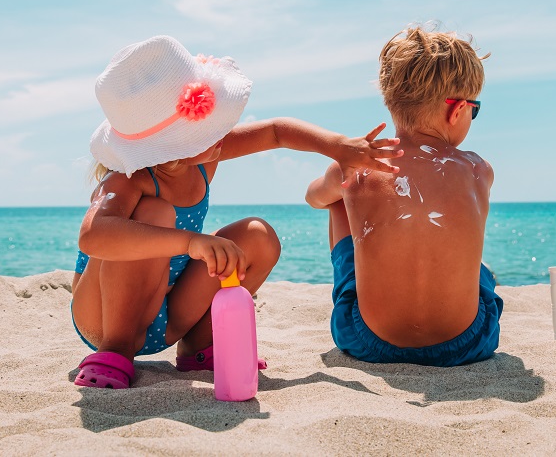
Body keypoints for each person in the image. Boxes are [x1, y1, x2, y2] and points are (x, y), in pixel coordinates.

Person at [70, 35, 400, 389]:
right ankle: (116, 351)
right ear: (168, 146)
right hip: (104, 316)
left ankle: (200, 345)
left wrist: (337, 147)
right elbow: (94, 236)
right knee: (155, 213)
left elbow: (275, 132)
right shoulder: (128, 179)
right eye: (204, 126)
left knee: (258, 236)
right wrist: (189, 242)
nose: (220, 131)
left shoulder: (202, 158)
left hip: (166, 315)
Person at [304, 25, 503, 367]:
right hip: (465, 343)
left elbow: (313, 197)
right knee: (480, 272)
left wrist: (342, 175)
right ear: (456, 111)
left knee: (339, 198)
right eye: (475, 109)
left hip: (369, 340)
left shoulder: (359, 166)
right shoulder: (477, 170)